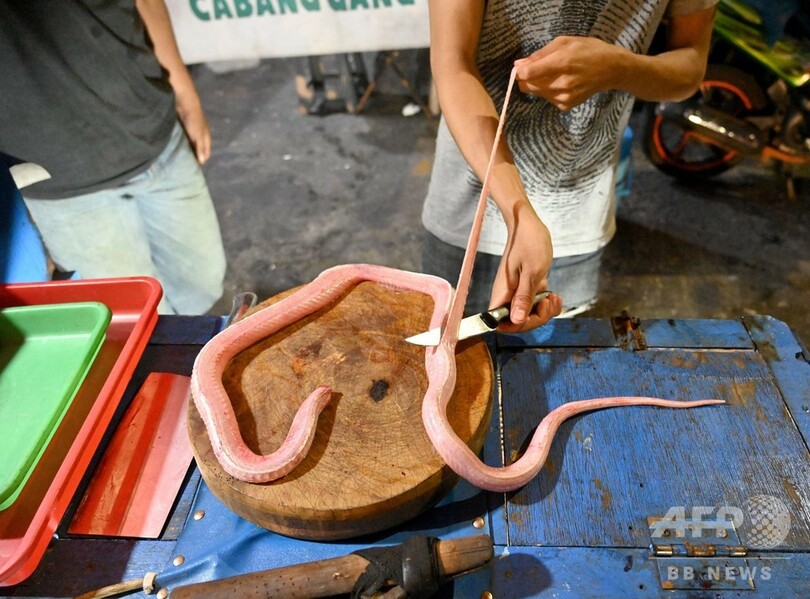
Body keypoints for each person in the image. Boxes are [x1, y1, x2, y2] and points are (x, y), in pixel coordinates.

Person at [421, 0, 717, 333]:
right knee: (450, 346)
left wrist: (619, 68)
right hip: (466, 207)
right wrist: (519, 213)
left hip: (579, 215)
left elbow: (691, 65)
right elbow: (453, 63)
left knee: (548, 350)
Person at [0, 0, 226, 315]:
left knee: (204, 284)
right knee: (138, 316)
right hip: (60, 177)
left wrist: (185, 92)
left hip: (153, 128)